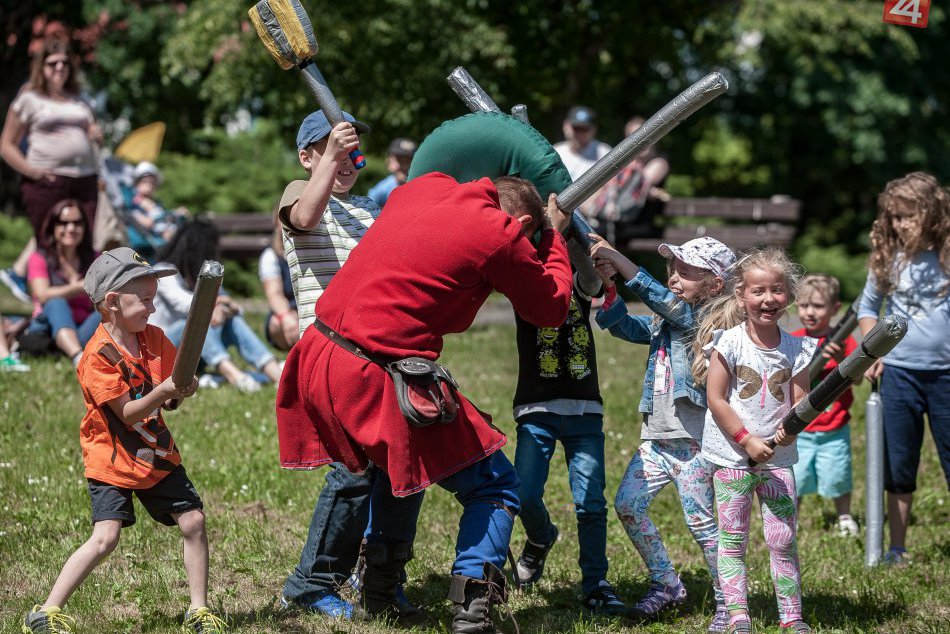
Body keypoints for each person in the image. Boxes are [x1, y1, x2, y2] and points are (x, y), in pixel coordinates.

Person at [276, 173, 573, 632]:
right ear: (524, 220)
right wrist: (551, 238)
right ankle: (473, 608)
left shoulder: (421, 187)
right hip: (373, 368)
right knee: (495, 485)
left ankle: (379, 589)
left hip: (318, 352)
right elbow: (550, 308)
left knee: (402, 467)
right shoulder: (502, 231)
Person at [21, 247, 227, 634]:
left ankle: (198, 611)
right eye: (145, 300)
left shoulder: (155, 338)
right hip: (111, 457)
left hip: (155, 453)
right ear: (113, 302)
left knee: (194, 520)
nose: (152, 308)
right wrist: (165, 389)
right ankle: (45, 611)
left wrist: (184, 387)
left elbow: (174, 390)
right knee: (105, 538)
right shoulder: (96, 356)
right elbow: (128, 413)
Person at [589, 236, 734, 632]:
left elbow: (662, 302)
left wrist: (618, 259)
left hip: (693, 444)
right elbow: (623, 326)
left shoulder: (705, 323)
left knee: (702, 524)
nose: (674, 278)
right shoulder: (668, 319)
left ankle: (729, 603)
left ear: (714, 284)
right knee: (628, 506)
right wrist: (611, 287)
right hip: (655, 441)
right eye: (674, 269)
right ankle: (667, 582)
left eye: (686, 272)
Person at [277, 109, 389, 619]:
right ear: (308, 157)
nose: (345, 158)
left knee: (387, 471)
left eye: (351, 151)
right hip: (327, 350)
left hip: (377, 353)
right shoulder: (296, 192)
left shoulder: (370, 208)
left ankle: (378, 574)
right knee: (352, 471)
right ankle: (310, 583)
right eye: (331, 148)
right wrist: (329, 163)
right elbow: (304, 218)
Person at [696, 246, 815, 634]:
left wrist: (791, 427)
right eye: (758, 291)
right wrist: (746, 440)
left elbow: (801, 403)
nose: (768, 299)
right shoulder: (728, 342)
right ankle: (737, 616)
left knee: (783, 540)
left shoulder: (798, 349)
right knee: (732, 542)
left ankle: (792, 616)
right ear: (741, 295)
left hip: (778, 462)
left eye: (777, 290)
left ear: (790, 296)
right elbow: (715, 398)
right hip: (733, 461)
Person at [509, 227, 627, 616]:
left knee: (590, 502)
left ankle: (596, 583)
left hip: (583, 412)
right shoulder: (523, 284)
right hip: (536, 410)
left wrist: (568, 229)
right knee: (522, 494)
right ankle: (541, 538)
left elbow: (591, 280)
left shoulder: (578, 283)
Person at [857, 171, 950, 567]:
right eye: (894, 216)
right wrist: (874, 351)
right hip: (899, 374)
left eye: (908, 215)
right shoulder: (887, 259)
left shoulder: (946, 255)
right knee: (898, 464)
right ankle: (896, 548)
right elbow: (866, 309)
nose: (899, 224)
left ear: (931, 214)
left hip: (946, 375)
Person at [0, 39, 102, 301]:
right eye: (52, 62)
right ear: (41, 66)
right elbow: (6, 145)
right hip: (47, 179)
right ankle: (42, 300)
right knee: (47, 242)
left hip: (84, 178)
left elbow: (92, 134)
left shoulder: (80, 99)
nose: (59, 67)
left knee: (84, 240)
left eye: (64, 63)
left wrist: (95, 135)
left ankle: (81, 302)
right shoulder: (30, 97)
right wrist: (33, 172)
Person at [150, 219, 282, 393]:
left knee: (232, 321)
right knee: (191, 325)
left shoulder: (199, 275)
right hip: (162, 351)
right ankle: (235, 375)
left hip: (192, 354)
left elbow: (235, 309)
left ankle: (275, 374)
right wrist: (219, 306)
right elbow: (187, 305)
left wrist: (223, 308)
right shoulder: (165, 271)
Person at [791, 274, 860, 537]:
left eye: (817, 306)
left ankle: (844, 516)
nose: (809, 312)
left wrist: (844, 359)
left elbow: (860, 379)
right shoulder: (793, 340)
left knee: (838, 476)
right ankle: (791, 518)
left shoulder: (845, 342)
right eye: (804, 305)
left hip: (834, 427)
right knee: (796, 478)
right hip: (802, 428)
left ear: (835, 309)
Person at [25, 199, 101, 366]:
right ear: (53, 226)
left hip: (82, 327)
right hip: (48, 328)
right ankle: (77, 357)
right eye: (63, 223)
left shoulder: (95, 258)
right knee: (56, 302)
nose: (71, 228)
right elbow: (42, 295)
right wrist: (78, 287)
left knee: (108, 312)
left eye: (77, 223)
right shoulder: (39, 258)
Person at [592, 116, 670, 242]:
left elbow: (640, 181)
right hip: (618, 221)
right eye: (636, 137)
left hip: (639, 224)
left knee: (591, 234)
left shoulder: (659, 162)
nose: (642, 141)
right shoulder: (626, 166)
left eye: (646, 135)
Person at [553, 106, 611, 219]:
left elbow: (614, 182)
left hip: (596, 217)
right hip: (563, 213)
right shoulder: (556, 152)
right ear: (566, 126)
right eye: (576, 128)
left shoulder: (604, 152)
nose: (579, 133)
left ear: (593, 129)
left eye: (584, 129)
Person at [126, 161, 188, 256]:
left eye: (152, 183)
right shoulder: (135, 203)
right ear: (137, 183)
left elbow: (164, 217)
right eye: (145, 182)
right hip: (148, 241)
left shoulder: (157, 203)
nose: (149, 185)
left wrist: (175, 214)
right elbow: (147, 222)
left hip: (164, 234)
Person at [259, 226, 298, 352]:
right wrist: (285, 316)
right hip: (290, 309)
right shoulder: (271, 255)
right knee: (277, 322)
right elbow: (274, 294)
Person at [367, 137, 417, 207]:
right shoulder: (381, 190)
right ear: (389, 162)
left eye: (409, 160)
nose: (405, 166)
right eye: (400, 160)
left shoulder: (420, 188)